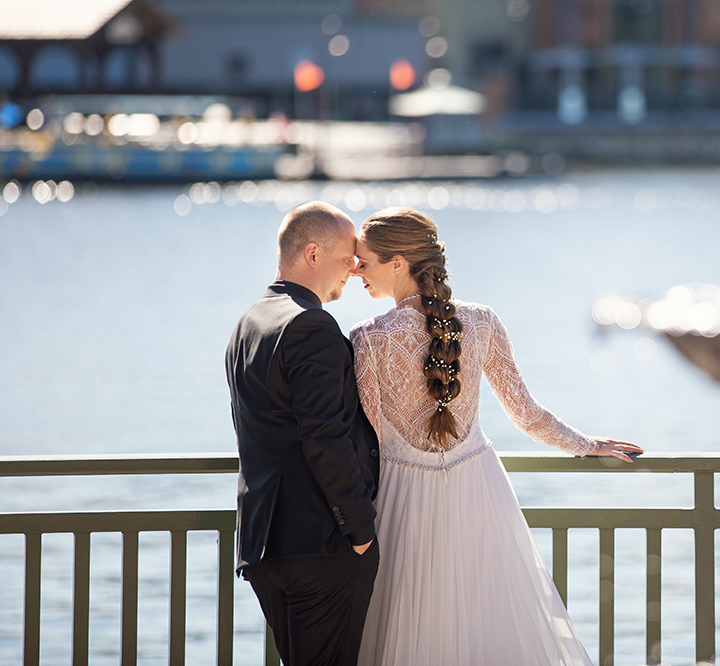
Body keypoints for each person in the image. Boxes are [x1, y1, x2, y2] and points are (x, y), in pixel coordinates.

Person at [349, 206, 643, 666]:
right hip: (478, 494)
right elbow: (526, 415)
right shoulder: (482, 321)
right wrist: (587, 445)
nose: (356, 271)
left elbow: (367, 440)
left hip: (402, 500)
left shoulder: (367, 338)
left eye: (364, 262)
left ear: (399, 263)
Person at [225, 201, 381, 666]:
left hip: (264, 546)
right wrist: (361, 532)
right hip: (320, 546)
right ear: (312, 254)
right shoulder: (312, 326)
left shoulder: (249, 324)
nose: (354, 271)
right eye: (346, 258)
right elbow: (324, 438)